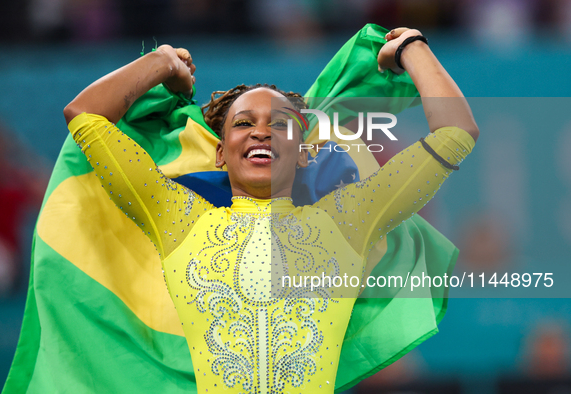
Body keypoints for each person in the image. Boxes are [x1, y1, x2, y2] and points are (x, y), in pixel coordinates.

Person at [62, 27, 478, 393]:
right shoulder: (177, 218)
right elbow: (85, 115)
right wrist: (162, 60)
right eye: (244, 123)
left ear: (302, 153)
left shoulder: (350, 219)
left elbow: (456, 133)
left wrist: (410, 45)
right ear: (221, 154)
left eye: (280, 124)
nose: (261, 130)